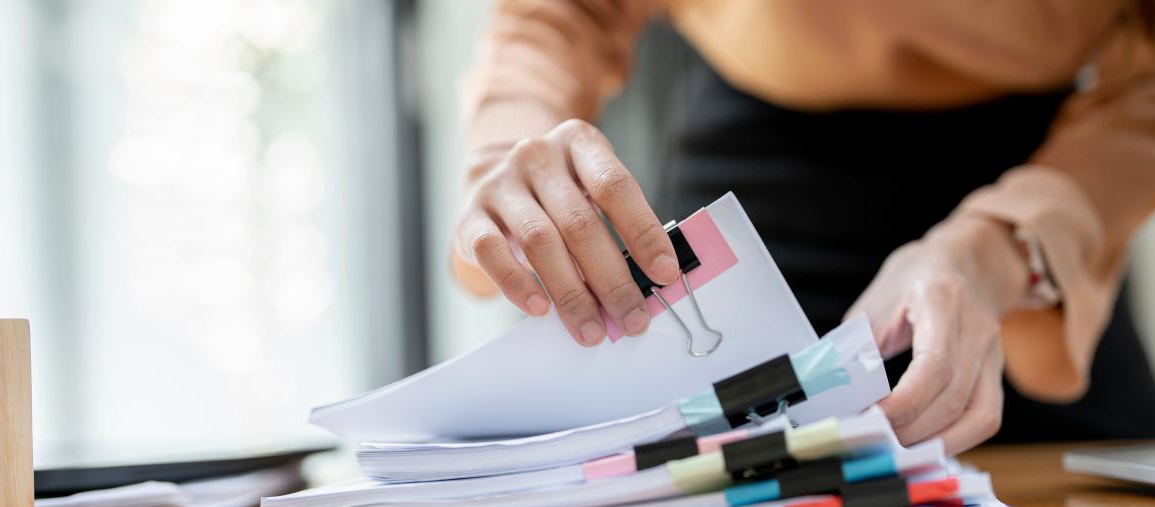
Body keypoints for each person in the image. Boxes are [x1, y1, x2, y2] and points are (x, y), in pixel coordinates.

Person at [449, 1, 1155, 454]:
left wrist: (1001, 251)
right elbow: (563, 13)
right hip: (747, 204)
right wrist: (507, 148)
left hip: (1044, 205)